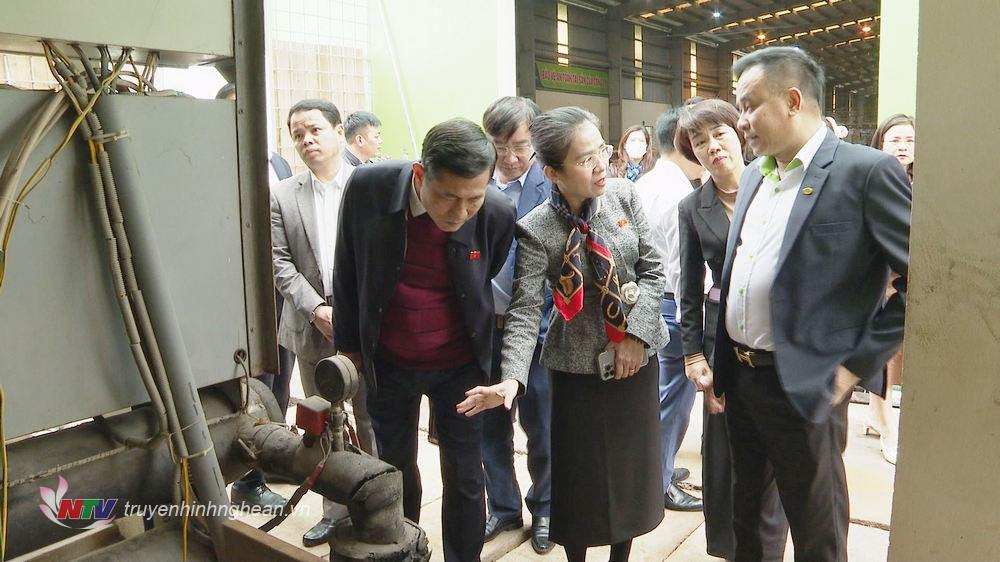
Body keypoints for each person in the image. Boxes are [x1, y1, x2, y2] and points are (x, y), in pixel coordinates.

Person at [711, 46, 911, 561]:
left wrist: (851, 371)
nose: (742, 120)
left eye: (750, 104)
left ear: (793, 100)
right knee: (748, 521)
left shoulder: (865, 172)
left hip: (806, 385)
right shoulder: (756, 174)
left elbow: (925, 284)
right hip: (742, 376)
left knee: (816, 529)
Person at [459, 107, 668, 562]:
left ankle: (620, 556)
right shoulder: (536, 228)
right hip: (576, 372)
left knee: (629, 474)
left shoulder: (625, 196)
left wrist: (636, 335)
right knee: (580, 480)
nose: (600, 166)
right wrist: (512, 379)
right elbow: (524, 309)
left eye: (602, 151)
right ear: (552, 172)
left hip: (635, 364)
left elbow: (653, 271)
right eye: (584, 158)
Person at [332, 118, 516, 562]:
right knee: (394, 467)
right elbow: (348, 266)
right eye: (448, 197)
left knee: (466, 473)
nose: (459, 213)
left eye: (473, 199)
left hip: (461, 364)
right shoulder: (368, 188)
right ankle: (402, 550)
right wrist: (350, 346)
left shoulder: (496, 211)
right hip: (390, 358)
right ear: (420, 175)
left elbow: (482, 279)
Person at [674, 98, 789, 561]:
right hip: (720, 341)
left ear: (738, 132)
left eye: (718, 133)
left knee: (779, 455)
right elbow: (687, 287)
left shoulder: (775, 184)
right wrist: (692, 354)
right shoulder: (692, 207)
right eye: (699, 141)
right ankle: (730, 548)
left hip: (776, 336)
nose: (711, 146)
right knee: (723, 455)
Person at [269, 99, 377, 547]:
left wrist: (353, 313)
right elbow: (278, 263)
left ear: (338, 131)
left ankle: (373, 502)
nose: (306, 140)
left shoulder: (369, 184)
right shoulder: (283, 193)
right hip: (311, 324)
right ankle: (333, 509)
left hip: (365, 323)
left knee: (371, 418)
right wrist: (316, 310)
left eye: (314, 129)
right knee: (323, 422)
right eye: (297, 134)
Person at [479, 97, 555, 553]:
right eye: (500, 146)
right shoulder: (475, 184)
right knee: (490, 425)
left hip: (541, 328)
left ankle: (545, 508)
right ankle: (503, 508)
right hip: (485, 329)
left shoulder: (550, 186)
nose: (509, 158)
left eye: (520, 147)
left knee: (542, 426)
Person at [217, 82, 292, 511]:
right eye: (234, 109)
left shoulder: (275, 160)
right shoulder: (214, 161)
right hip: (238, 293)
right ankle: (246, 480)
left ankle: (273, 456)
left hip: (277, 293)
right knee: (248, 389)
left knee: (278, 382)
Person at [633, 108, 702, 513]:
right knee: (673, 399)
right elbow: (679, 267)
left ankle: (659, 467)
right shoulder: (678, 194)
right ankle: (658, 482)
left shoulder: (646, 182)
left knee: (660, 394)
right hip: (673, 304)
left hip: (651, 301)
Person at [865, 113, 916, 464]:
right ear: (881, 143)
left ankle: (878, 417)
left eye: (909, 140)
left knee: (901, 362)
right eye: (895, 139)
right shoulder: (871, 180)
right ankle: (887, 429)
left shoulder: (923, 182)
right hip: (879, 286)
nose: (902, 146)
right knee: (883, 363)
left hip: (909, 285)